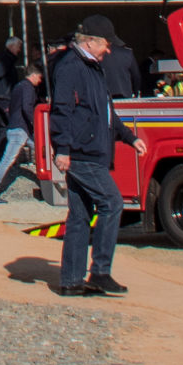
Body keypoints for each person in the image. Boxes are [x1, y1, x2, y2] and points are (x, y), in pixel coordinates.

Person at [50, 15, 148, 297]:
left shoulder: (93, 67)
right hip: (83, 152)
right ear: (90, 41)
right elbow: (62, 110)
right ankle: (100, 272)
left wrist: (130, 138)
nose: (109, 51)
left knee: (80, 215)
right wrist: (64, 149)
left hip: (89, 150)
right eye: (106, 45)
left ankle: (71, 281)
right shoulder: (71, 66)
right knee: (112, 202)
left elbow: (107, 113)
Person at [0, 58, 43, 205]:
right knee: (7, 161)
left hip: (18, 128)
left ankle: (49, 184)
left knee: (43, 152)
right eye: (40, 78)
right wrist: (36, 125)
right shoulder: (28, 87)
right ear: (34, 75)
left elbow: (13, 107)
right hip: (21, 129)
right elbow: (27, 108)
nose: (40, 81)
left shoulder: (18, 86)